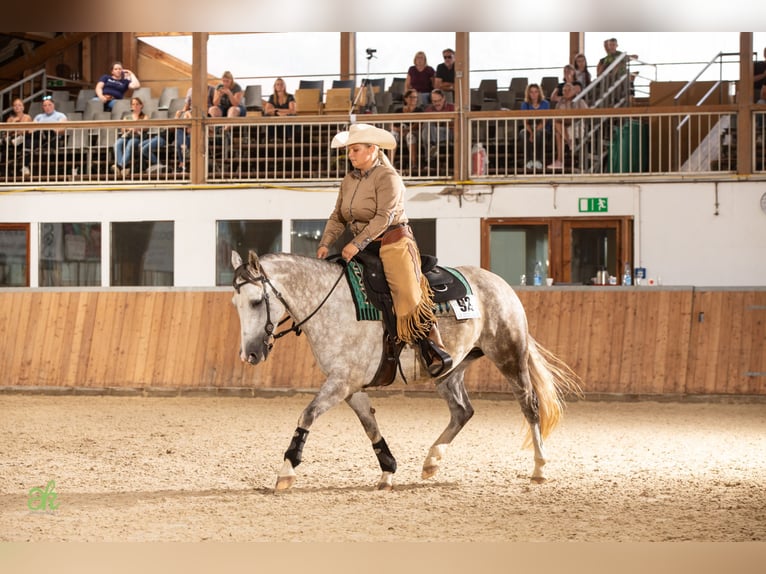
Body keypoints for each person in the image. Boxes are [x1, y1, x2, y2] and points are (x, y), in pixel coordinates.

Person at [316, 123, 452, 381]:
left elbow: (384, 217)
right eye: (349, 150)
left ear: (373, 149)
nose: (351, 155)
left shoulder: (388, 178)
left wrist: (357, 243)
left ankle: (433, 345)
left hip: (393, 242)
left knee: (407, 293)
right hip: (363, 244)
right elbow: (338, 217)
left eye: (355, 150)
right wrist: (325, 242)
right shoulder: (349, 180)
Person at [548, 82, 588, 170]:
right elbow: (557, 116)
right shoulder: (559, 103)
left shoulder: (580, 101)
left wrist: (569, 119)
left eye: (569, 90)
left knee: (558, 130)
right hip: (564, 126)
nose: (566, 92)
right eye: (564, 90)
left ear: (573, 91)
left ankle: (559, 160)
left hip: (577, 126)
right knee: (557, 127)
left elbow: (586, 115)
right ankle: (570, 143)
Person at [517, 83, 550, 172]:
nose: (534, 94)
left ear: (539, 93)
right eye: (531, 92)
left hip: (542, 129)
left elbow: (544, 121)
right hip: (529, 128)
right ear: (528, 93)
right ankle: (529, 160)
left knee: (539, 134)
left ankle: (539, 160)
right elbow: (525, 122)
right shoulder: (525, 104)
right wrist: (531, 133)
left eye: (536, 92)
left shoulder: (545, 104)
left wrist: (534, 132)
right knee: (523, 134)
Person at [32, 95, 68, 174]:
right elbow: (32, 130)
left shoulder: (60, 115)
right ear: (43, 107)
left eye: (49, 105)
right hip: (40, 137)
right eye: (45, 105)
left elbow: (62, 130)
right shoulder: (39, 117)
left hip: (54, 137)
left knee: (50, 132)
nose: (47, 107)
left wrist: (50, 129)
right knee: (29, 139)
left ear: (53, 105)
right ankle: (25, 166)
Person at [112, 97, 147, 177]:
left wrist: (136, 128)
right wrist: (129, 128)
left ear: (141, 105)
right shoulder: (127, 117)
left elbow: (145, 127)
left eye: (137, 104)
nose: (135, 106)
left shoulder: (144, 116)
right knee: (117, 144)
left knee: (131, 143)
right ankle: (122, 167)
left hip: (138, 137)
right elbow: (123, 129)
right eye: (133, 104)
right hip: (127, 136)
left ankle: (120, 166)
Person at [390, 88, 424, 170]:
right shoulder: (398, 110)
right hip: (399, 131)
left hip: (413, 132)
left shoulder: (419, 110)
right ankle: (390, 163)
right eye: (411, 97)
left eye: (415, 97)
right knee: (392, 135)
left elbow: (418, 125)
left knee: (410, 136)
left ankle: (414, 164)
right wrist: (399, 130)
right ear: (406, 98)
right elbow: (391, 125)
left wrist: (406, 130)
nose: (413, 99)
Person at [423, 88, 455, 158]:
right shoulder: (429, 109)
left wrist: (442, 123)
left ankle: (430, 159)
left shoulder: (452, 107)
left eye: (439, 100)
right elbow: (424, 124)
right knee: (427, 130)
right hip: (432, 132)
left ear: (443, 98)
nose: (437, 103)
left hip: (449, 132)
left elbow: (456, 124)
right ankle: (433, 145)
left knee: (427, 133)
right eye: (434, 101)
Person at [5, 97, 32, 176]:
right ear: (13, 107)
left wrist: (14, 131)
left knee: (25, 138)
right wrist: (13, 122)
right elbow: (7, 132)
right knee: (5, 140)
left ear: (23, 107)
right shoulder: (10, 119)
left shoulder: (27, 117)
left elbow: (24, 130)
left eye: (19, 105)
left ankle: (25, 167)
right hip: (11, 139)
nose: (17, 107)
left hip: (24, 138)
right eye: (15, 105)